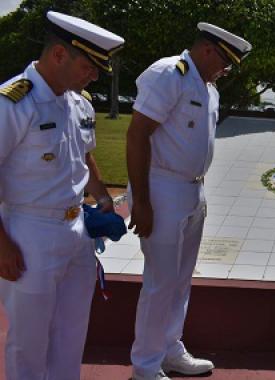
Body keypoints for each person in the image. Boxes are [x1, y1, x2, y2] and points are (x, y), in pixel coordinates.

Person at [0, 11, 123, 379]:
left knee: (71, 334)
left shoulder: (79, 102)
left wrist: (102, 200)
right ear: (58, 55)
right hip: (28, 232)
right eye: (89, 66)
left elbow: (83, 155)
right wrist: (1, 244)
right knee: (29, 340)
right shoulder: (12, 103)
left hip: (77, 230)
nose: (95, 76)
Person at [126, 22, 251, 380]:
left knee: (180, 281)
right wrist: (142, 201)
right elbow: (137, 137)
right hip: (161, 189)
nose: (225, 71)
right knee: (160, 282)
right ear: (208, 50)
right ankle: (145, 367)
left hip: (192, 191)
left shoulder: (208, 88)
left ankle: (170, 349)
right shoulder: (169, 74)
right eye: (225, 62)